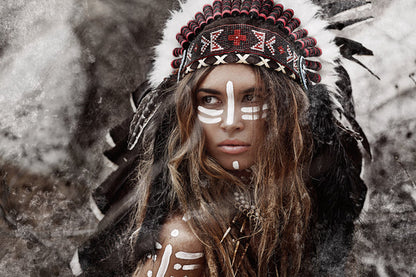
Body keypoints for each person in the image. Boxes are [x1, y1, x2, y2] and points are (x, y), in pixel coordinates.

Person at [72, 0, 373, 276]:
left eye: (252, 97)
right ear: (188, 114)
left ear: (290, 111)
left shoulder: (299, 203)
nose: (231, 122)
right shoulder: (183, 241)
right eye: (210, 100)